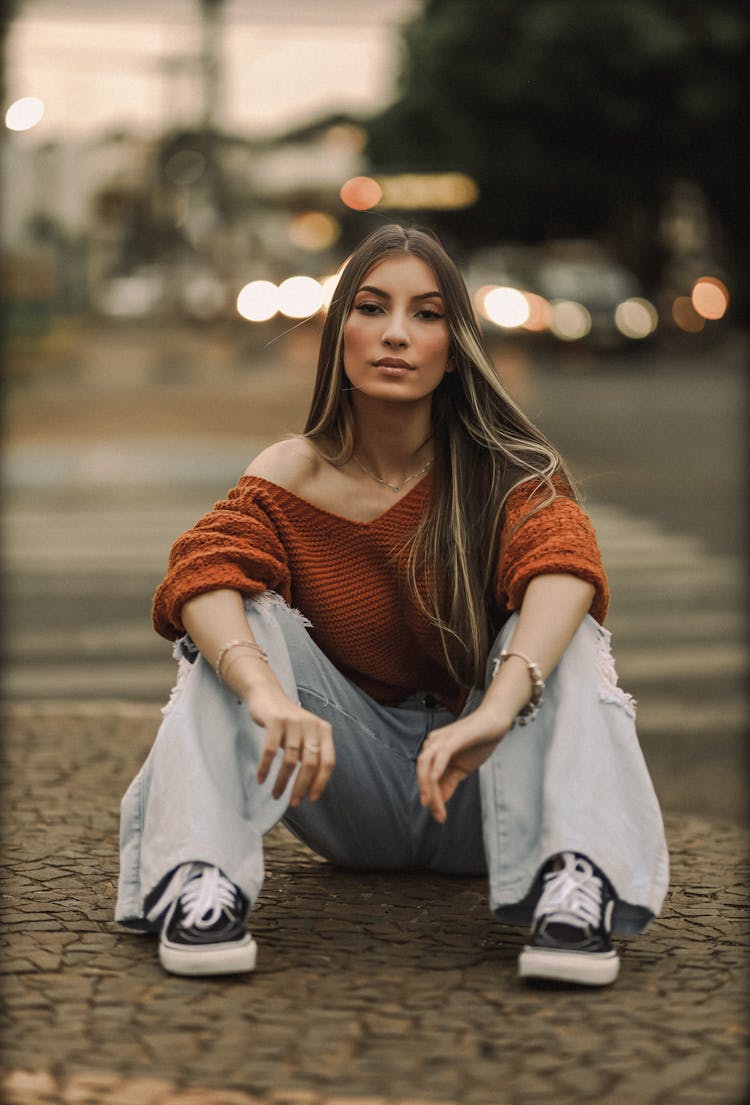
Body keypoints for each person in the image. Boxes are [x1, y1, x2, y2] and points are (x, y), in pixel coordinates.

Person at [116, 223, 669, 987]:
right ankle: (198, 880)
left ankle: (574, 882)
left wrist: (497, 708)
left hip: (489, 794)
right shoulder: (290, 474)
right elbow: (199, 570)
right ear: (338, 330)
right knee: (240, 617)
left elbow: (567, 565)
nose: (397, 335)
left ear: (455, 340)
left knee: (561, 634)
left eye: (428, 314)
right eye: (373, 308)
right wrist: (266, 693)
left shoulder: (508, 470)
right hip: (349, 791)